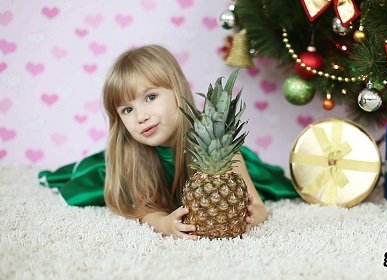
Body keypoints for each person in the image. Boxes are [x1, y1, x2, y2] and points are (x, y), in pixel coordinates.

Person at [38, 44, 299, 240]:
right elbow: (144, 209)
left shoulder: (218, 145)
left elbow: (258, 206)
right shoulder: (131, 152)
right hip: (129, 164)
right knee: (100, 180)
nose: (141, 117)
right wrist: (164, 224)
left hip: (213, 157)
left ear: (178, 90)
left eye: (150, 97)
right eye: (127, 110)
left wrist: (256, 214)